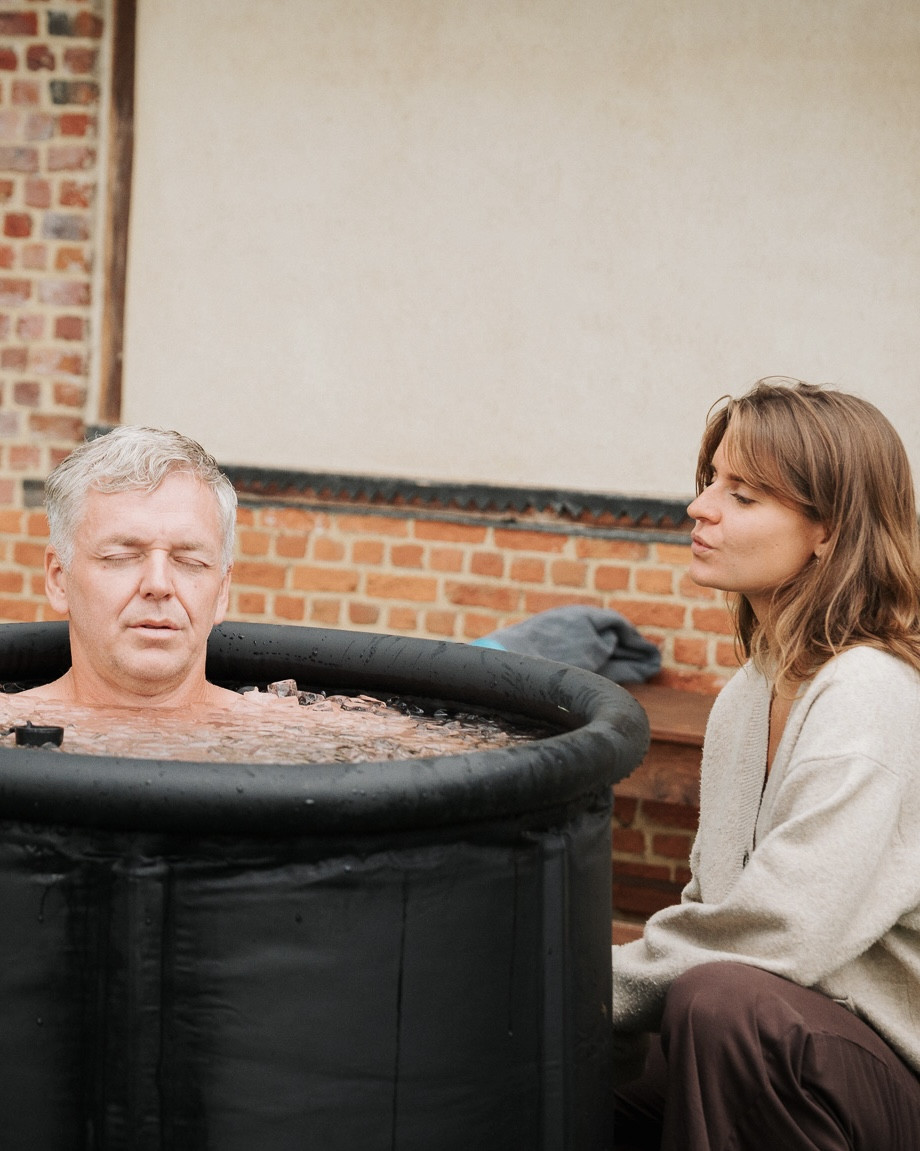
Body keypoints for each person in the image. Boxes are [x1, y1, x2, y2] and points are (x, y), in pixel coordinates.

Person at [612, 378, 920, 1149]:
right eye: (710, 481)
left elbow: (785, 933)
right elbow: (713, 901)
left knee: (719, 1004)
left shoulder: (870, 692)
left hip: (887, 1070)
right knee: (563, 1056)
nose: (702, 507)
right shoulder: (747, 696)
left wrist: (594, 986)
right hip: (797, 1033)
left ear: (828, 532)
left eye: (743, 495)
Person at [20, 425, 242, 710]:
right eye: (121, 556)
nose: (159, 584)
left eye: (190, 561)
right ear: (59, 579)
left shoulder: (284, 737)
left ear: (222, 589)